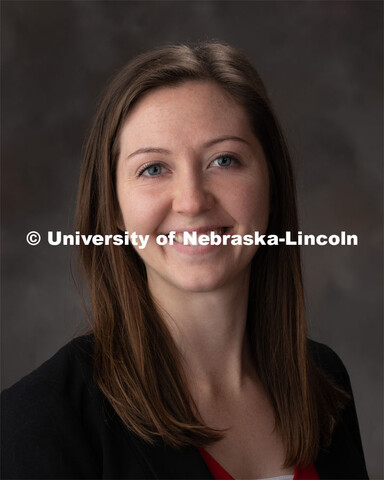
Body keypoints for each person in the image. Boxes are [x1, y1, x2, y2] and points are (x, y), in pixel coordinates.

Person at [1, 42, 368, 479]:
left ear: (272, 189)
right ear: (113, 209)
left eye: (224, 160)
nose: (192, 201)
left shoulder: (322, 383)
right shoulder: (42, 421)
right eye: (153, 168)